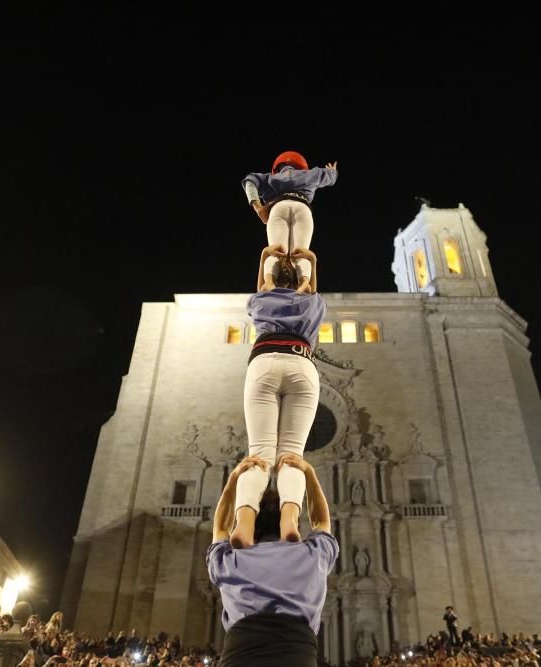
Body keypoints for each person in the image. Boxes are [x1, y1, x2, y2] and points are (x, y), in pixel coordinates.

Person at [229, 246, 325, 549]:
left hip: (264, 362)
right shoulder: (311, 303)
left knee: (259, 455)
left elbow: (263, 285)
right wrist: (311, 262)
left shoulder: (262, 299)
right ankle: (289, 519)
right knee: (292, 455)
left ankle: (244, 524)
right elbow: (310, 289)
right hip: (302, 365)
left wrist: (263, 259)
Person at [207, 454, 338, 666]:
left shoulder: (230, 561)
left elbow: (220, 526)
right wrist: (310, 474)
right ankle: (272, 515)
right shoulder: (313, 556)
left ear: (254, 528)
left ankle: (267, 515)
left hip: (239, 656)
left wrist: (232, 478)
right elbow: (322, 520)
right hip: (297, 657)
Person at [241, 152, 337, 289]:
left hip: (278, 207)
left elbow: (249, 181)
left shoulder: (270, 178)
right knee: (300, 253)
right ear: (303, 167)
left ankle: (269, 282)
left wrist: (258, 208)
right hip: (302, 207)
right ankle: (304, 283)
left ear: (277, 168)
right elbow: (331, 177)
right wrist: (332, 172)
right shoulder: (311, 174)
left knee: (276, 251)